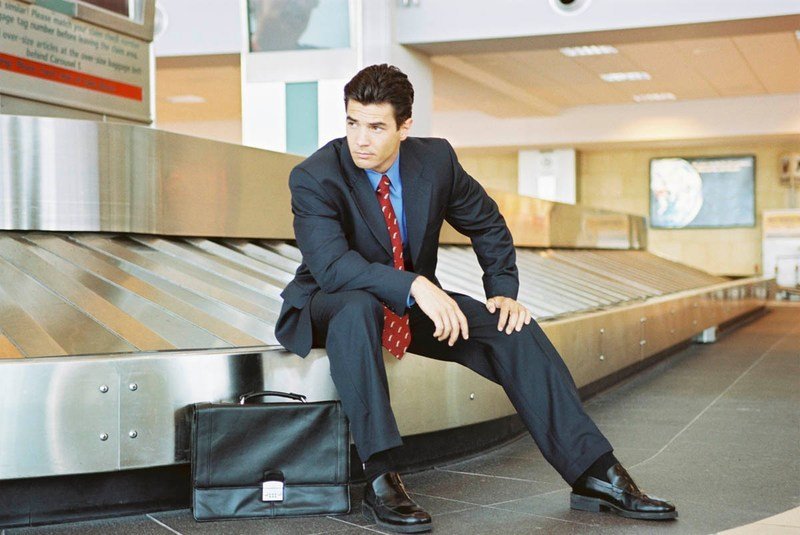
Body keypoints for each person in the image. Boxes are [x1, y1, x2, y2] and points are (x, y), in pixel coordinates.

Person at [275, 64, 677, 533]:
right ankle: (381, 476)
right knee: (358, 306)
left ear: (405, 127)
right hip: (331, 301)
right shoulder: (315, 176)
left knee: (511, 327)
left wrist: (502, 291)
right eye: (352, 122)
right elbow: (332, 267)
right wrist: (413, 285)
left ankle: (594, 472)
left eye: (376, 126)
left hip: (409, 303)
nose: (360, 139)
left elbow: (486, 222)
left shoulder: (435, 161)